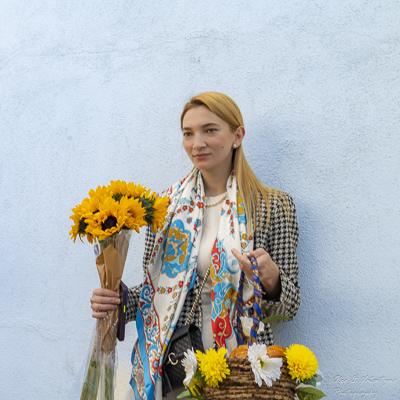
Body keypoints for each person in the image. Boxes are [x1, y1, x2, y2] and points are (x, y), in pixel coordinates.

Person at [90, 92, 300, 400]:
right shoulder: (164, 209)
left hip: (236, 374)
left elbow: (290, 307)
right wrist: (117, 299)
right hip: (172, 371)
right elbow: (154, 295)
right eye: (188, 133)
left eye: (210, 130)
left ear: (237, 136)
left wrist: (271, 281)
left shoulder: (272, 207)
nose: (197, 143)